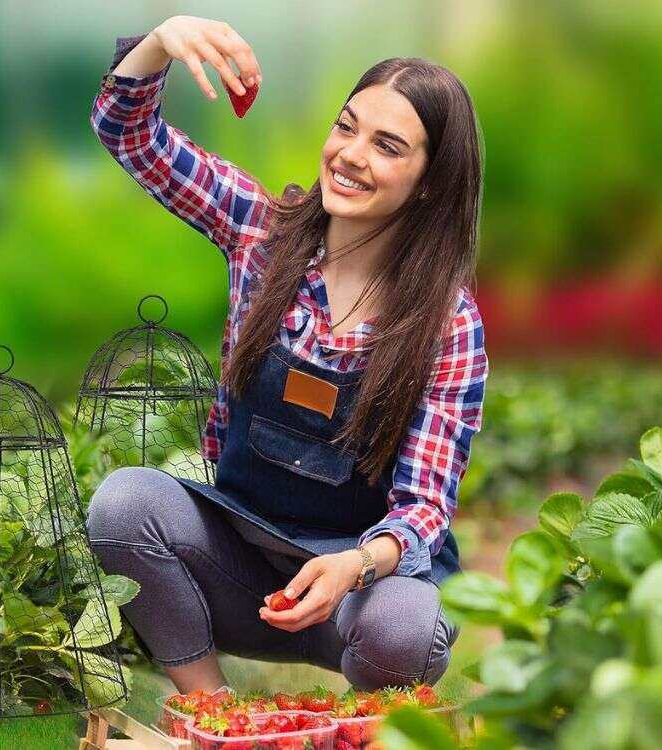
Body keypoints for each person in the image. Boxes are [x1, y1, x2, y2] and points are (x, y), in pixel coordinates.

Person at [84, 15, 489, 694]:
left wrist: (352, 567)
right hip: (238, 566)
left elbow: (424, 506)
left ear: (428, 182)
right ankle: (213, 715)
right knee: (124, 504)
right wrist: (162, 40)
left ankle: (366, 732)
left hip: (357, 593)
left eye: (387, 145)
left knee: (408, 629)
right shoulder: (259, 233)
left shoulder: (448, 325)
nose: (351, 154)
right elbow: (130, 136)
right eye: (347, 126)